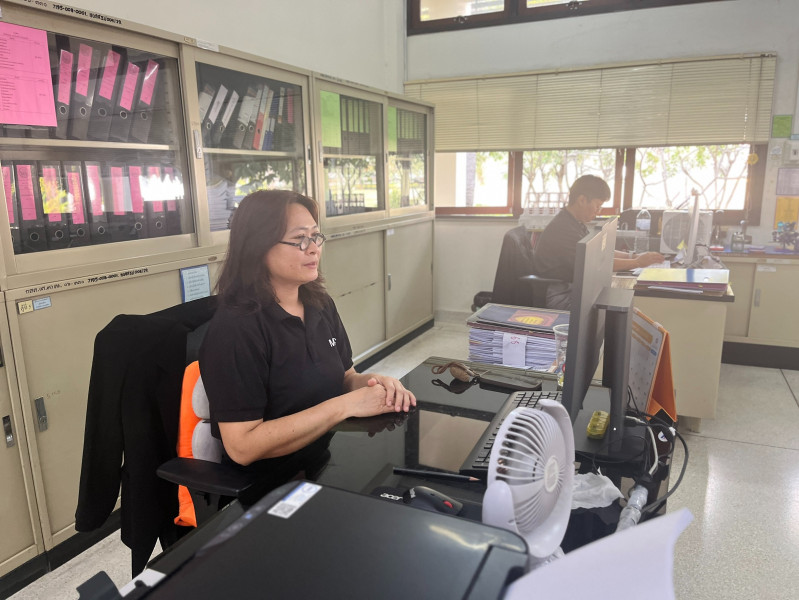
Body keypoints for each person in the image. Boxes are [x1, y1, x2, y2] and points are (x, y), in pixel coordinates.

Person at [199, 190, 415, 482]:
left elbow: (345, 377)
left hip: (322, 458)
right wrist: (346, 405)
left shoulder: (319, 304)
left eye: (315, 236)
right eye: (300, 239)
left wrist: (374, 383)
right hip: (268, 483)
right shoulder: (236, 329)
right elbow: (242, 446)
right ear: (258, 246)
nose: (313, 249)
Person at [532, 175, 664, 309]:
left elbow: (599, 251)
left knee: (618, 302)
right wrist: (637, 263)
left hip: (572, 286)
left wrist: (633, 256)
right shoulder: (563, 228)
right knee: (614, 307)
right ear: (582, 200)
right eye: (597, 206)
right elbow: (595, 263)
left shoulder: (574, 223)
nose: (598, 212)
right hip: (559, 293)